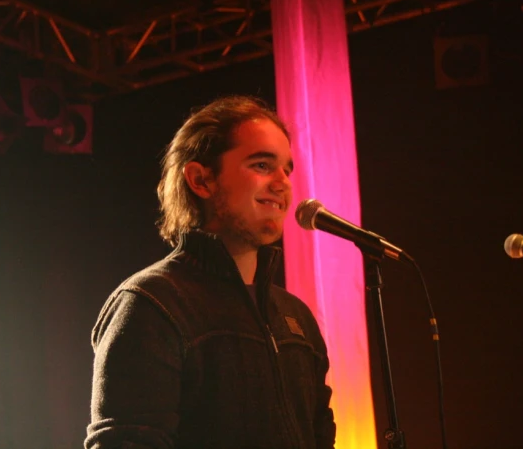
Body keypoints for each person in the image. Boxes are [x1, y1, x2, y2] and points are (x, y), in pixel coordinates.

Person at [84, 95, 336, 449]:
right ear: (201, 180)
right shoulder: (150, 304)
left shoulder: (296, 317)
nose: (283, 183)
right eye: (262, 165)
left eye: (287, 168)